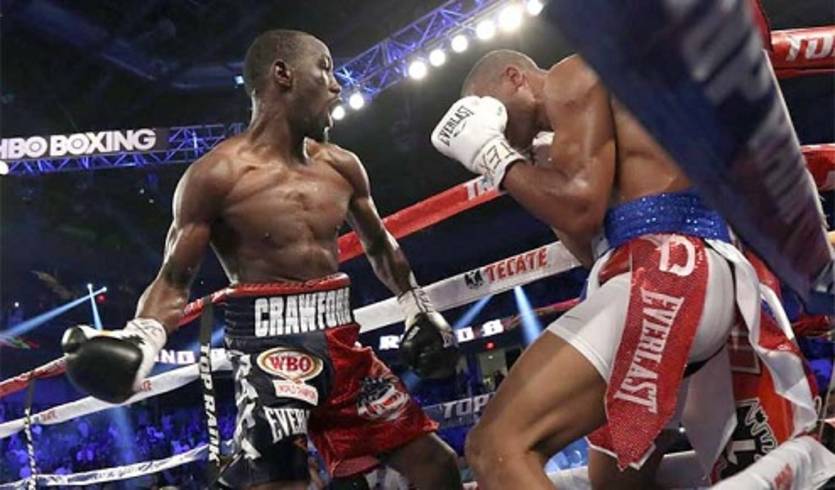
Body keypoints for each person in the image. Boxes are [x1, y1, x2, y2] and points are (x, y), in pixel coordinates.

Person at [61, 29, 461, 490]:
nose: (337, 85)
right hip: (270, 352)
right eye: (325, 69)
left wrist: (416, 306)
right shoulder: (218, 174)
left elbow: (380, 246)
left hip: (344, 344)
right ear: (283, 74)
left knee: (437, 466)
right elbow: (174, 278)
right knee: (284, 482)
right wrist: (143, 339)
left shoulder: (343, 166)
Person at [430, 49, 810, 489]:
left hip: (668, 271)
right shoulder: (573, 140)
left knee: (495, 445)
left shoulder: (570, 75)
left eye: (488, 107)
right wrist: (528, 166)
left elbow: (580, 211)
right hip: (671, 281)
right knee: (614, 484)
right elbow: (589, 248)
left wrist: (491, 154)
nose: (491, 124)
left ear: (515, 78)